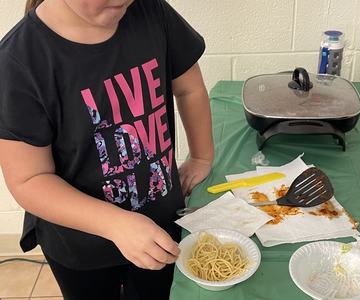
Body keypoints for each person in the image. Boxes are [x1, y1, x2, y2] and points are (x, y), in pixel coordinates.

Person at [0, 0, 214, 299]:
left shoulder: (151, 11)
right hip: (81, 250)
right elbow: (28, 179)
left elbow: (189, 87)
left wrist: (201, 156)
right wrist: (116, 224)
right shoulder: (19, 60)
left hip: (161, 226)